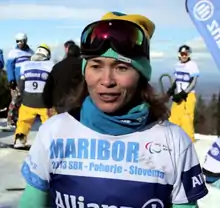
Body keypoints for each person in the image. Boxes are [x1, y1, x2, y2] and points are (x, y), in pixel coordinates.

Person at [19, 12, 207, 208]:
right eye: (96, 66)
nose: (107, 81)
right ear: (85, 71)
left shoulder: (174, 142)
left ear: (141, 75)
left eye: (121, 68)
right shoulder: (54, 132)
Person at [14, 44, 54, 148]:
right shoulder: (50, 65)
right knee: (49, 121)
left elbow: (21, 82)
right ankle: (48, 142)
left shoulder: (26, 64)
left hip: (28, 99)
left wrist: (23, 95)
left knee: (23, 120)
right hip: (44, 101)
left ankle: (20, 138)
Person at [167, 45, 200, 142]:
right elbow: (176, 79)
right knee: (174, 116)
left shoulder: (192, 65)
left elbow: (194, 81)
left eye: (186, 54)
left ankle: (189, 139)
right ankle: (173, 137)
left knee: (186, 118)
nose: (184, 56)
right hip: (178, 95)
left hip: (187, 96)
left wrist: (184, 93)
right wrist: (172, 89)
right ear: (179, 55)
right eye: (182, 54)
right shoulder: (177, 65)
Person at [42, 42, 82, 114]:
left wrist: (48, 104)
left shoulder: (57, 66)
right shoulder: (83, 66)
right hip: (79, 104)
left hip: (60, 104)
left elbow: (48, 86)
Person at [5, 32, 34, 129]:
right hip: (17, 80)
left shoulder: (30, 52)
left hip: (27, 80)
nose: (19, 43)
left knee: (23, 101)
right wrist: (11, 79)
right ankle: (10, 121)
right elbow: (9, 66)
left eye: (21, 41)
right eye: (17, 41)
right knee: (15, 100)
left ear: (25, 41)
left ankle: (19, 120)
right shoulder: (13, 52)